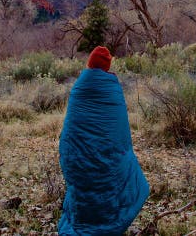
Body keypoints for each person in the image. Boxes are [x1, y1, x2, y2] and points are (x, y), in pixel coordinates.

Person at [58, 46, 149, 235]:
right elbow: (121, 137)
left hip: (78, 160)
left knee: (87, 186)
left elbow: (69, 132)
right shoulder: (113, 90)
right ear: (108, 67)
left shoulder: (79, 88)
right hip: (102, 160)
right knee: (116, 175)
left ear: (89, 63)